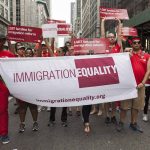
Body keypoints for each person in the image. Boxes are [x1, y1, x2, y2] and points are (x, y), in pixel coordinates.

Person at [116, 37, 150, 132]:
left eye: (138, 42)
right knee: (124, 107)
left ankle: (133, 123)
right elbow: (119, 64)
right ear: (131, 44)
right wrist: (126, 56)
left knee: (136, 107)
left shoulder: (146, 55)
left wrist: (143, 83)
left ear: (140, 44)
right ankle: (121, 122)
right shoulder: (126, 55)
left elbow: (148, 71)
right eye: (134, 42)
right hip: (128, 85)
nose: (136, 44)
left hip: (140, 86)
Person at [101, 17, 122, 124]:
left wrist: (119, 22)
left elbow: (119, 35)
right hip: (105, 76)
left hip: (116, 76)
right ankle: (107, 116)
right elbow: (102, 35)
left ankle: (113, 115)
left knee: (114, 98)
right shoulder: (104, 46)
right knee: (106, 98)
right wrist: (103, 21)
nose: (111, 38)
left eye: (113, 36)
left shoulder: (118, 47)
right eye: (109, 37)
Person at [17, 47, 39, 133]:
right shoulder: (19, 62)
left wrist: (40, 42)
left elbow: (39, 54)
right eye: (27, 53)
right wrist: (9, 41)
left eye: (30, 53)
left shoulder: (35, 63)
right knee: (22, 108)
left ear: (33, 55)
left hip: (32, 90)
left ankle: (35, 122)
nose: (28, 55)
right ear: (24, 54)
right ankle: (22, 124)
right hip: (22, 89)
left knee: (33, 107)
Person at [0, 33, 15, 144]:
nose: (0, 42)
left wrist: (10, 43)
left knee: (2, 110)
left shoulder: (7, 54)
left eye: (2, 40)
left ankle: (4, 133)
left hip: (2, 87)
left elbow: (16, 63)